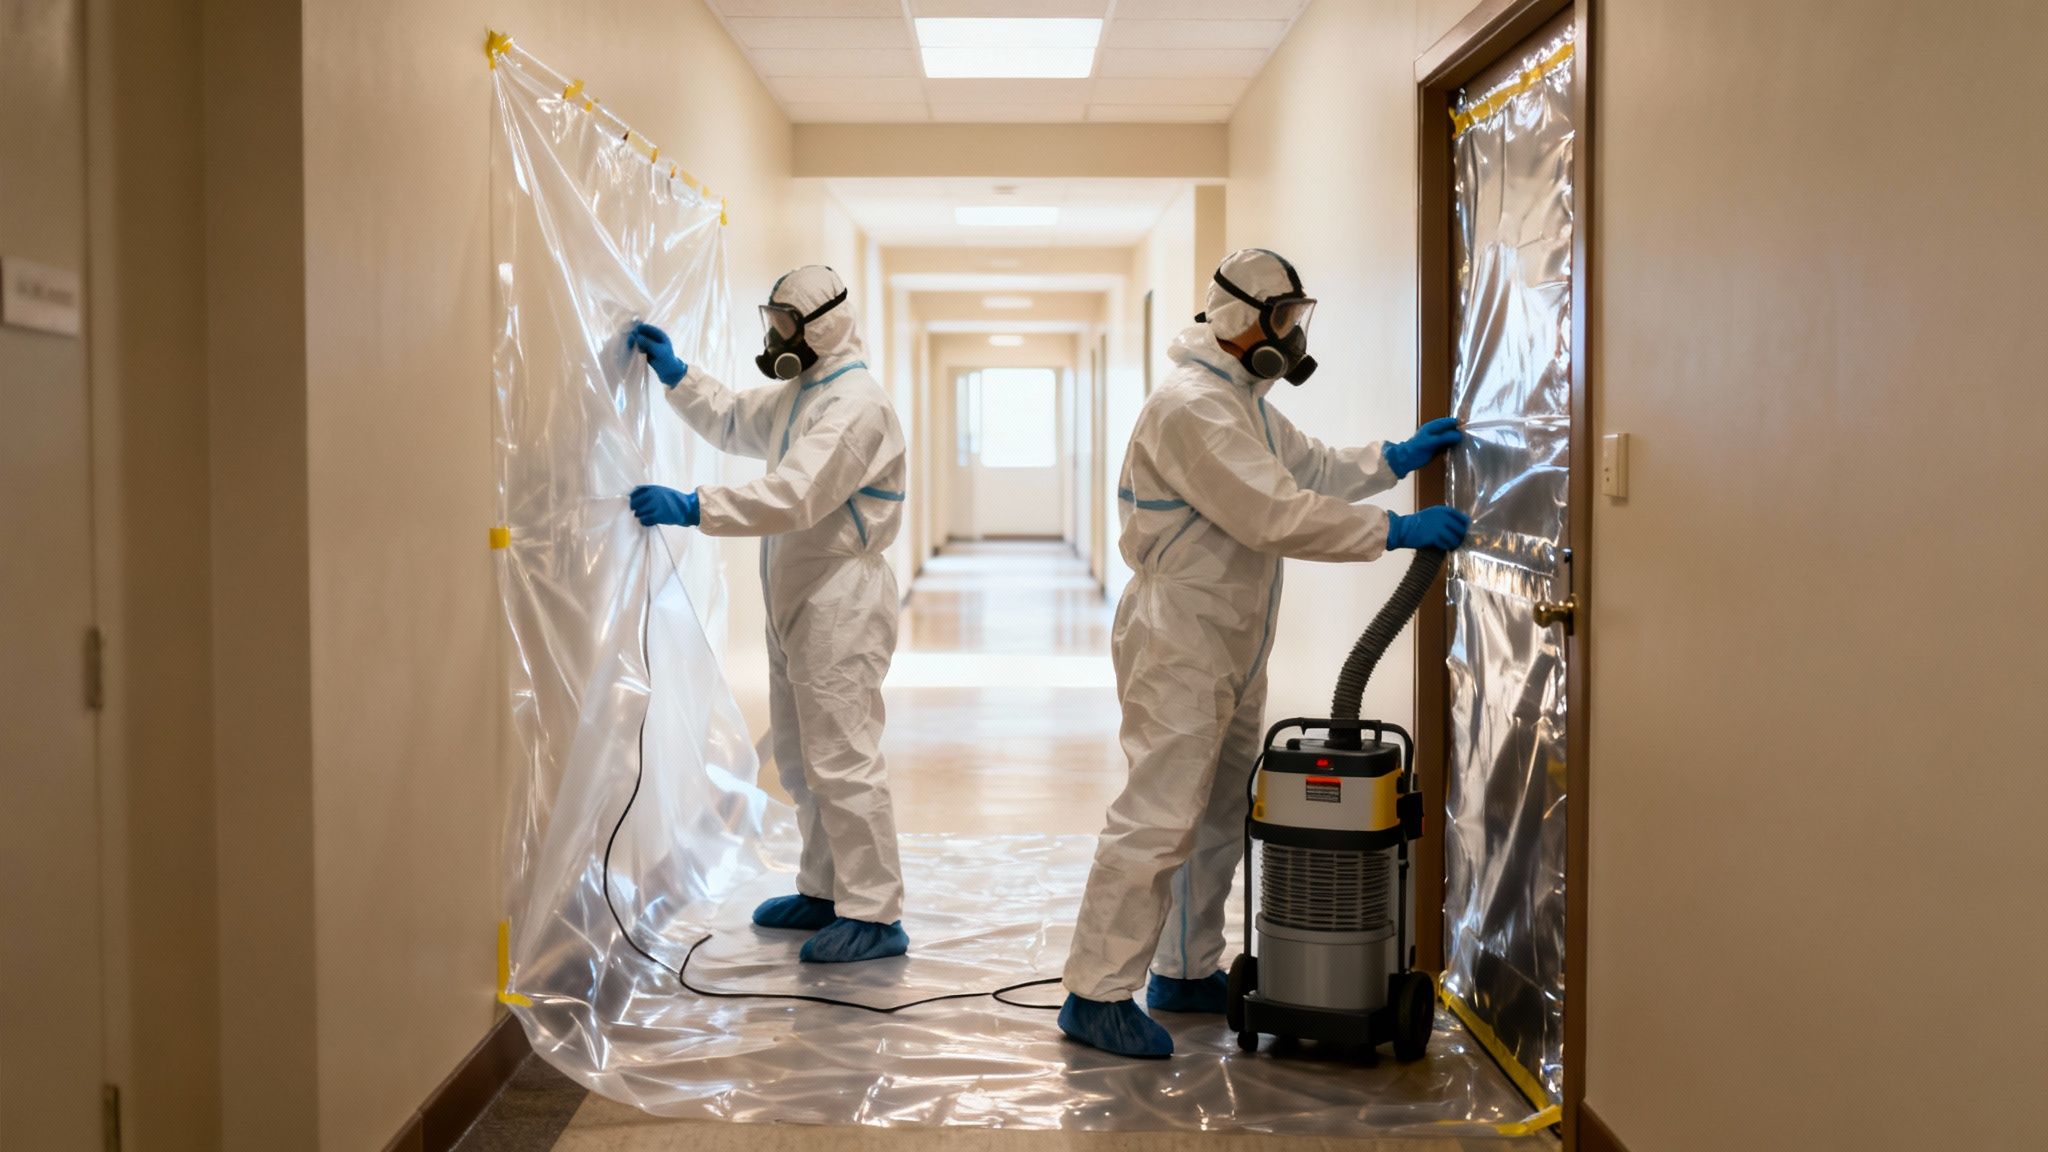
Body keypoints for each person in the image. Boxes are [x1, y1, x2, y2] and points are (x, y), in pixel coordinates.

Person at [1058, 248, 1471, 1056]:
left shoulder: (1240, 400)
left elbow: (1307, 468)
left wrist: (1391, 459)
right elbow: (1274, 512)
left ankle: (1184, 967)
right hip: (1180, 634)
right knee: (1159, 812)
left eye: (1295, 319)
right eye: (1281, 319)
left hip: (1231, 633)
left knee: (1217, 809)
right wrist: (1393, 530)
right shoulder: (1193, 407)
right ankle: (1095, 991)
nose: (1291, 336)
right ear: (1240, 319)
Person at [626, 266, 911, 965]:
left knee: (841, 756)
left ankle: (874, 911)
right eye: (773, 322)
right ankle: (825, 888)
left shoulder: (856, 407)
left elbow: (795, 495)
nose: (776, 336)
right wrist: (676, 375)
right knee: (800, 756)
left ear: (822, 327)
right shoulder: (802, 395)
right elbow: (732, 419)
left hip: (841, 600)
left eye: (786, 324)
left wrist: (695, 506)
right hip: (799, 595)